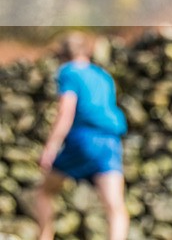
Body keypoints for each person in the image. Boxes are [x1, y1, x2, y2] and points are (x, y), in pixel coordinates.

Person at [36, 32, 129, 240]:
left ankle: (44, 236)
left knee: (44, 192)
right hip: (110, 140)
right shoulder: (103, 76)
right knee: (115, 206)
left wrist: (50, 148)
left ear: (63, 54)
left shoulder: (68, 72)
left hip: (84, 139)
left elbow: (65, 112)